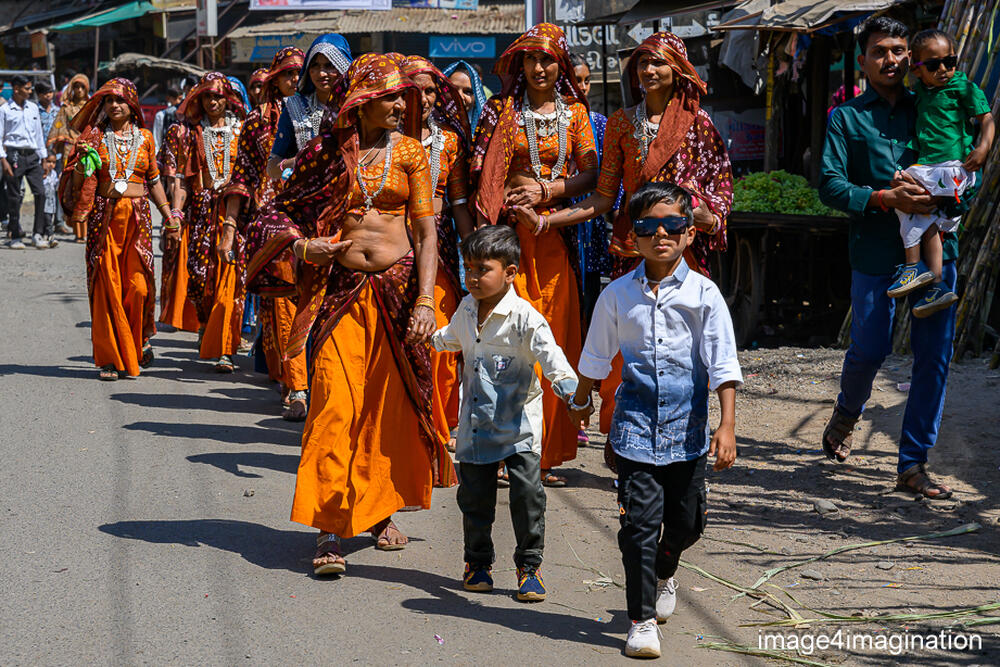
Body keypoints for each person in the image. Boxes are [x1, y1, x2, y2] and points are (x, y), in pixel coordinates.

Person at [245, 53, 455, 575]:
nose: (400, 105)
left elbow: (425, 232)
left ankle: (380, 511)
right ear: (361, 102)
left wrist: (425, 300)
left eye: (401, 97)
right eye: (389, 97)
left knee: (387, 409)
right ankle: (329, 527)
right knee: (335, 406)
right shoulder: (324, 153)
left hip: (398, 293)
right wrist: (303, 247)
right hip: (340, 293)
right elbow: (276, 212)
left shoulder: (411, 152)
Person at [517, 31, 734, 438]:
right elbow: (603, 198)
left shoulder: (699, 124)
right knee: (624, 350)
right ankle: (623, 440)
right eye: (642, 63)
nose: (648, 70)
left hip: (682, 252)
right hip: (632, 250)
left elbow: (722, 186)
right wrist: (547, 221)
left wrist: (711, 217)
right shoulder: (620, 122)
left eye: (658, 62)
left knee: (683, 348)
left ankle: (682, 438)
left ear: (678, 70)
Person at [568, 182, 740, 658]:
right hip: (634, 431)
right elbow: (596, 354)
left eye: (672, 225)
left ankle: (666, 572)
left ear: (690, 233)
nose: (660, 234)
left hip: (688, 433)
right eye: (647, 226)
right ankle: (641, 621)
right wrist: (580, 401)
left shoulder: (705, 295)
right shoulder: (617, 295)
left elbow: (723, 362)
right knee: (638, 529)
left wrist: (726, 425)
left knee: (687, 524)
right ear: (634, 236)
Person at [819, 16, 962, 499]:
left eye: (899, 50)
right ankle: (847, 412)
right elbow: (830, 185)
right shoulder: (847, 118)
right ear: (863, 61)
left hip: (938, 251)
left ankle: (912, 464)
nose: (891, 59)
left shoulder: (937, 105)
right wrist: (883, 198)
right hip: (876, 252)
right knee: (871, 348)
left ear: (912, 58)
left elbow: (969, 162)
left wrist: (949, 193)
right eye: (880, 51)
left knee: (934, 355)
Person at [470, 23, 599, 487]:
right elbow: (479, 168)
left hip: (555, 240)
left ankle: (541, 455)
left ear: (560, 64)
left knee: (552, 342)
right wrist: (508, 192)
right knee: (508, 343)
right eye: (530, 59)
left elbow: (591, 174)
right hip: (509, 241)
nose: (539, 68)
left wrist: (546, 191)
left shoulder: (576, 114)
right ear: (519, 64)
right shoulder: (499, 110)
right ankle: (502, 449)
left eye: (547, 60)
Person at [432, 225, 577, 601]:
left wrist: (571, 391)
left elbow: (551, 357)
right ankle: (477, 563)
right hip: (476, 426)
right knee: (474, 499)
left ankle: (529, 566)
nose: (473, 277)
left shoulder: (525, 317)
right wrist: (427, 337)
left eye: (482, 269)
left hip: (519, 427)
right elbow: (450, 338)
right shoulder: (467, 308)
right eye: (469, 268)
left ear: (510, 272)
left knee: (527, 496)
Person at [63, 78, 172, 380]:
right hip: (105, 220)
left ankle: (137, 344)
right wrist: (82, 164)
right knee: (107, 287)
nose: (114, 105)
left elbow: (154, 180)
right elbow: (78, 181)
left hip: (138, 219)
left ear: (132, 104)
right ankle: (110, 359)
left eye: (120, 100)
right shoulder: (95, 137)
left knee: (138, 288)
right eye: (109, 100)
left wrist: (169, 215)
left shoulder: (146, 138)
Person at [221, 46, 307, 419]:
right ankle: (297, 385)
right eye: (287, 73)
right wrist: (229, 228)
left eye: (299, 72)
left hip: (317, 217)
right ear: (275, 78)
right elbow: (241, 176)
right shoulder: (256, 121)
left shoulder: (323, 114)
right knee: (282, 302)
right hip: (273, 223)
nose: (294, 79)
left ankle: (303, 378)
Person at [885, 29, 994, 316]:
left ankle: (913, 267)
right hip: (932, 167)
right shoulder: (921, 92)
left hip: (952, 167)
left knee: (904, 193)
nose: (943, 69)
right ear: (917, 70)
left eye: (950, 61)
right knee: (924, 214)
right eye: (933, 65)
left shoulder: (963, 87)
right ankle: (936, 283)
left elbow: (987, 119)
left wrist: (983, 148)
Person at [402, 55, 475, 451]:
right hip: (394, 252)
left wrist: (473, 251)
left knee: (441, 340)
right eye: (416, 90)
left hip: (440, 251)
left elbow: (459, 203)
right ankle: (404, 427)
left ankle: (439, 427)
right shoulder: (383, 140)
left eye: (431, 91)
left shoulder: (449, 141)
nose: (425, 98)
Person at [170, 72, 246, 372]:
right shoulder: (191, 134)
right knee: (201, 280)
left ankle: (226, 349)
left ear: (227, 98)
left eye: (217, 96)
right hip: (201, 215)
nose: (213, 102)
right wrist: (176, 214)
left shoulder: (242, 130)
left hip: (234, 214)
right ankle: (205, 326)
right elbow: (183, 181)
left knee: (231, 281)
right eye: (207, 97)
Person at [266, 34, 353, 181]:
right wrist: (301, 160)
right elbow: (272, 168)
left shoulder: (356, 107)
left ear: (342, 66)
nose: (321, 73)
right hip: (308, 192)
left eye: (329, 65)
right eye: (315, 66)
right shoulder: (295, 108)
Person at [157, 96, 200, 333]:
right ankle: (180, 315)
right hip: (185, 205)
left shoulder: (231, 129)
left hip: (217, 207)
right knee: (181, 260)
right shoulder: (178, 132)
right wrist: (175, 213)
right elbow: (174, 177)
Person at [1, 75, 49, 249]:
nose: (30, 91)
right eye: (27, 88)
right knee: (14, 196)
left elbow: (38, 134)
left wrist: (43, 158)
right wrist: (3, 161)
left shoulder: (33, 108)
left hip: (32, 155)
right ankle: (15, 235)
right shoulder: (5, 110)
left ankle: (37, 233)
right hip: (14, 155)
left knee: (41, 193)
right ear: (16, 89)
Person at [48, 73, 90, 241]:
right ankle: (76, 230)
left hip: (88, 151)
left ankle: (88, 229)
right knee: (71, 189)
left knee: (87, 189)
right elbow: (58, 128)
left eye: (82, 87)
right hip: (70, 151)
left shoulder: (92, 107)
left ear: (87, 88)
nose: (79, 90)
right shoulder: (66, 108)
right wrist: (53, 151)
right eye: (76, 87)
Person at [443, 60, 488, 132]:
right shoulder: (428, 126)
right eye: (452, 90)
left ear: (476, 100)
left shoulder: (483, 131)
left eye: (468, 92)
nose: (460, 96)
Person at [152, 87, 182, 153]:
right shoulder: (161, 116)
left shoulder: (183, 115)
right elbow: (157, 139)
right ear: (168, 98)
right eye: (175, 99)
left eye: (180, 99)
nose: (178, 102)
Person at [41, 154, 59, 246]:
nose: (51, 164)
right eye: (49, 162)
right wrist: (44, 176)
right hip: (44, 201)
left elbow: (56, 187)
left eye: (53, 162)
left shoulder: (54, 173)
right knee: (47, 220)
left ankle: (45, 235)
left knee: (49, 219)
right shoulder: (41, 173)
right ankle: (51, 236)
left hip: (51, 202)